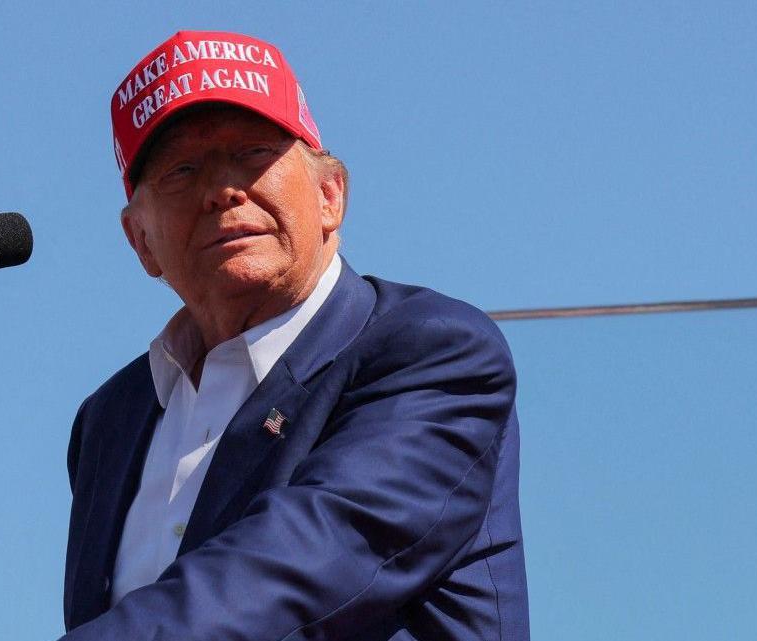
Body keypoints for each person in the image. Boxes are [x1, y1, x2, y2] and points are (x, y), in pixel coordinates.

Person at [61, 30, 528, 640]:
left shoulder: (434, 352)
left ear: (329, 194)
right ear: (141, 240)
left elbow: (302, 565)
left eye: (253, 152)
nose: (221, 190)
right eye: (181, 169)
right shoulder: (109, 420)